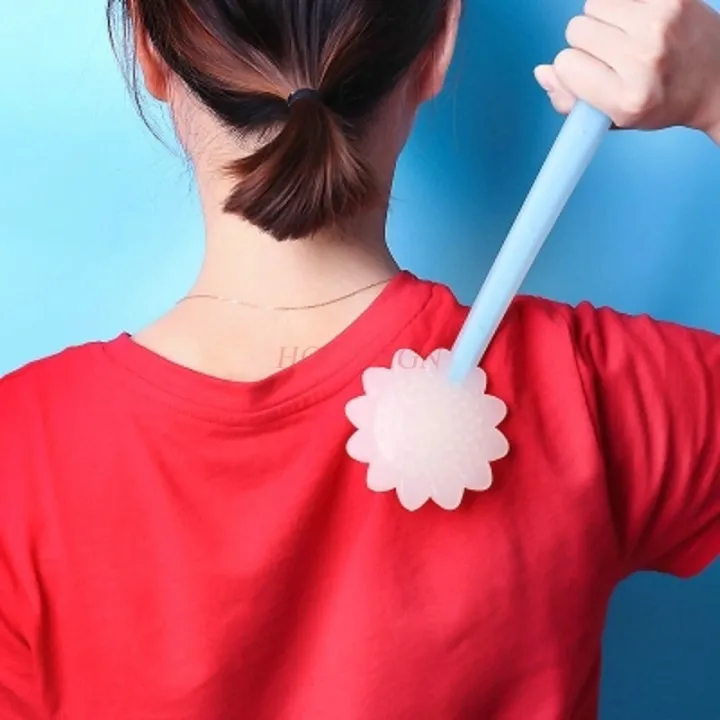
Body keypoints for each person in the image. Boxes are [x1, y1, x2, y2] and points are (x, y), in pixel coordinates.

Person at [1, 0, 718, 717]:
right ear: (438, 45)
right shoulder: (589, 390)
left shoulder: (20, 455)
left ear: (149, 50)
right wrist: (714, 90)